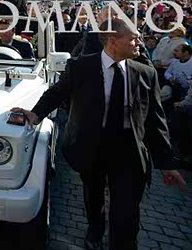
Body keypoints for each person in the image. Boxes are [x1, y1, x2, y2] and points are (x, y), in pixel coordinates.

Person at [11, 18, 186, 250]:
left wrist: (166, 163)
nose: (140, 43)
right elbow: (57, 93)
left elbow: (156, 120)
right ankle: (95, 229)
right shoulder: (81, 67)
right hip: (91, 147)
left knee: (126, 213)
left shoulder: (146, 73)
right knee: (93, 197)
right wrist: (34, 115)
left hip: (129, 152)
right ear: (113, 40)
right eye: (133, 38)